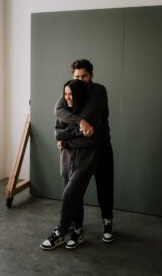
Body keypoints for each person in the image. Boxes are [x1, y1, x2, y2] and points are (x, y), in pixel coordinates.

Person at [54, 59, 114, 244]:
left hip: (101, 147)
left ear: (91, 75)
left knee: (105, 187)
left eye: (84, 76)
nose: (80, 80)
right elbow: (58, 110)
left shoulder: (98, 91)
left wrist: (65, 135)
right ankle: (76, 227)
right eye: (77, 76)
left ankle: (107, 223)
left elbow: (86, 117)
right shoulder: (70, 91)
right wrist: (76, 125)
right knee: (74, 190)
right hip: (78, 150)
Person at [40, 79, 102, 250]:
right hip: (67, 158)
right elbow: (58, 134)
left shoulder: (91, 113)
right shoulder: (64, 111)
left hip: (86, 159)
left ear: (79, 95)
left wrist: (68, 137)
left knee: (69, 195)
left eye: (71, 94)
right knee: (75, 197)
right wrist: (75, 133)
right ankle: (78, 231)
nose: (67, 98)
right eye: (65, 94)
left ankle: (59, 232)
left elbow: (91, 138)